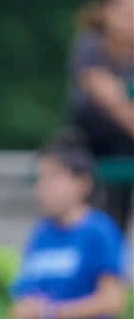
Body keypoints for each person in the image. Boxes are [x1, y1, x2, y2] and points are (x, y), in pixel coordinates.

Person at [11, 131, 129, 319]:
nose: (42, 187)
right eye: (40, 178)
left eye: (52, 177)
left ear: (82, 183)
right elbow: (24, 298)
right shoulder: (41, 234)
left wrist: (53, 313)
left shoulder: (100, 231)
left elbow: (113, 300)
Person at [68, 0, 134, 233]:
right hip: (91, 143)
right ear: (105, 11)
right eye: (124, 9)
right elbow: (112, 101)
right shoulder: (91, 46)